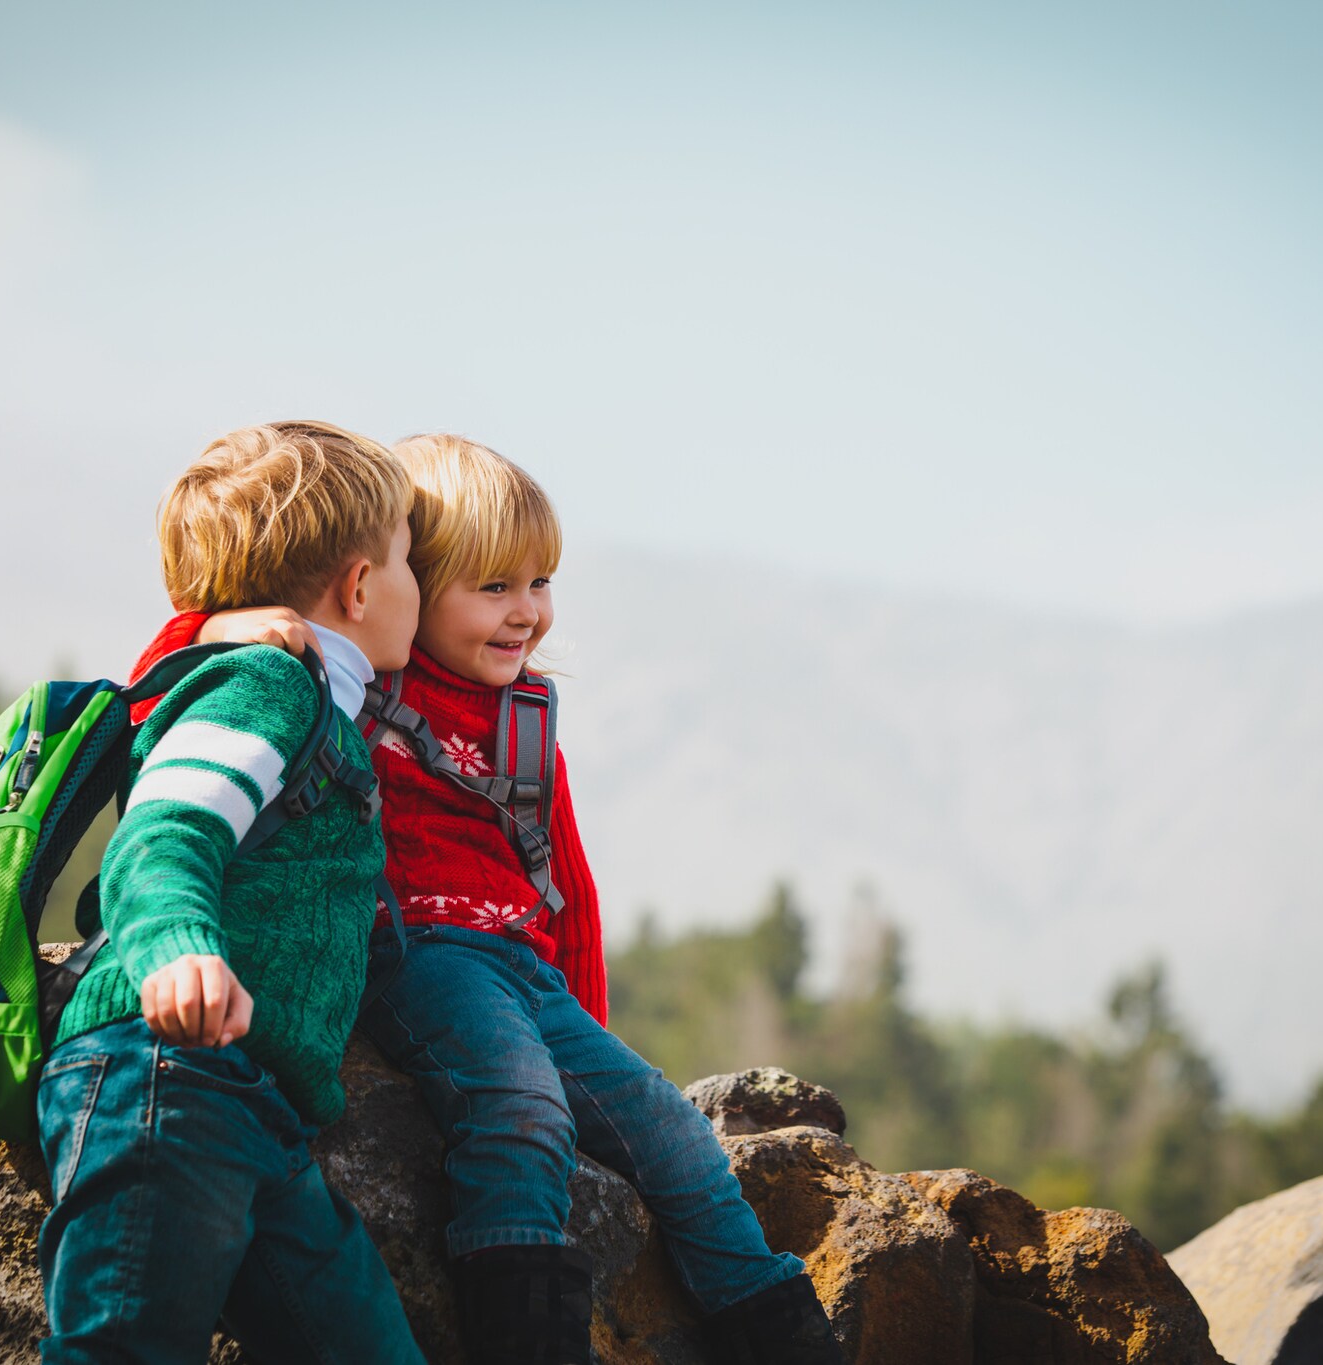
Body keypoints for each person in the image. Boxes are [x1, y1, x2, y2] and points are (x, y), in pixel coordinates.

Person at [134, 434, 840, 1365]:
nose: (529, 614)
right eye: (495, 587)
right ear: (405, 586)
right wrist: (223, 626)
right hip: (420, 955)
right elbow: (164, 685)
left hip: (529, 975)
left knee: (673, 1131)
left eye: (541, 582)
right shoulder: (358, 677)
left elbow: (567, 887)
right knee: (519, 1108)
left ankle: (782, 1336)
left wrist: (588, 1022)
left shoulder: (525, 717)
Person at [38, 421, 427, 1365]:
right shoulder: (263, 687)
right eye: (413, 559)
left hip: (258, 1109)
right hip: (163, 1068)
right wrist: (178, 948)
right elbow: (162, 834)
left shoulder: (318, 701)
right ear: (362, 585)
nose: (421, 582)